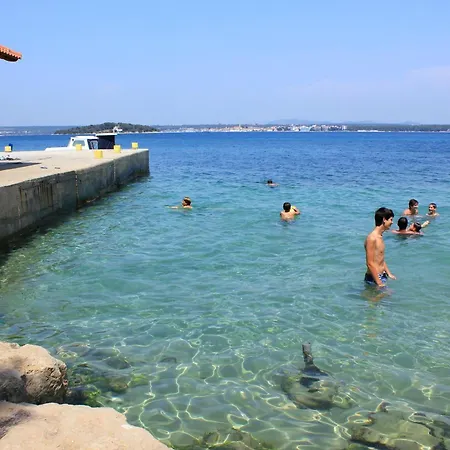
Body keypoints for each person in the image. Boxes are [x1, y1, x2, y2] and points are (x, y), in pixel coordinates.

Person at [364, 207, 396, 287]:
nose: (392, 222)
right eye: (391, 220)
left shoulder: (380, 236)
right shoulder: (372, 238)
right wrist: (379, 283)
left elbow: (380, 258)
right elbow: (370, 263)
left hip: (382, 276)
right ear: (384, 219)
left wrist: (389, 273)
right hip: (374, 278)